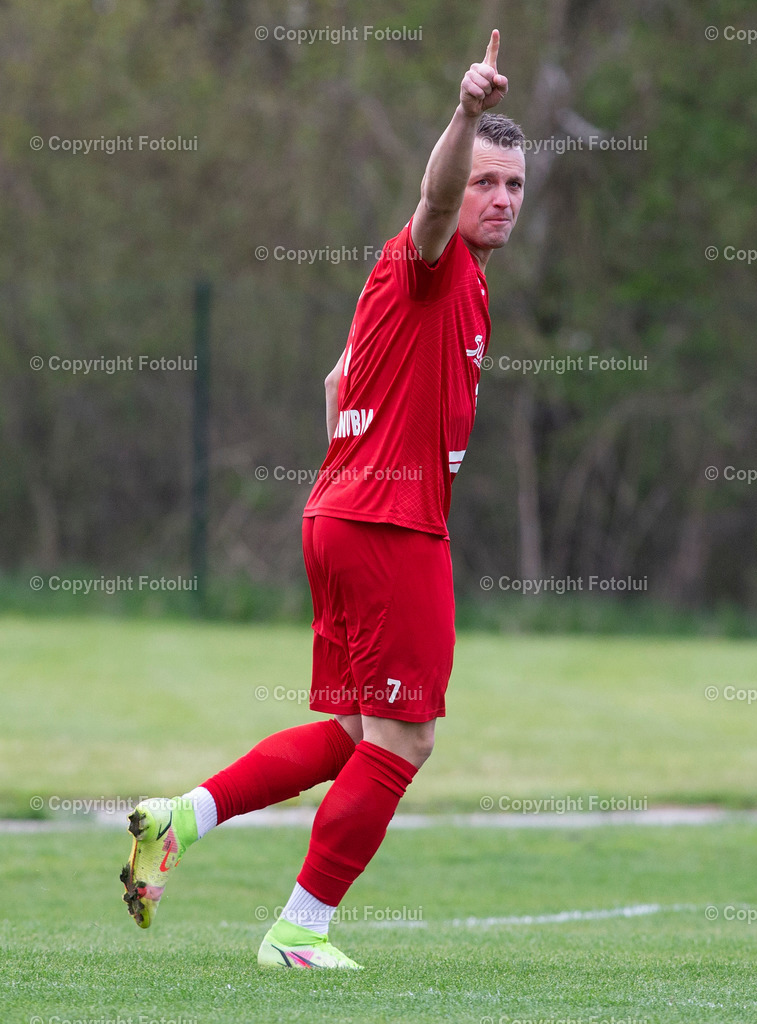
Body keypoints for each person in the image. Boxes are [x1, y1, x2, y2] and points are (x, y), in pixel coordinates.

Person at [120, 28, 525, 970]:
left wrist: (354, 466)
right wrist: (464, 114)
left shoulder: (439, 286)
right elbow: (431, 199)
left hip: (342, 515)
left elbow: (336, 379)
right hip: (389, 528)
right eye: (486, 182)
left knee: (354, 733)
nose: (499, 198)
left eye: (513, 186)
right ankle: (300, 930)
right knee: (405, 738)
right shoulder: (432, 262)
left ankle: (182, 818)